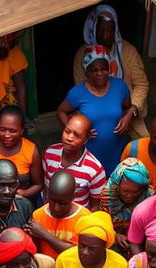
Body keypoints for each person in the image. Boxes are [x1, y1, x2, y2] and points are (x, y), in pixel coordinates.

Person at [73, 4, 149, 138]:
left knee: (145, 147)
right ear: (93, 28)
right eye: (100, 29)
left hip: (127, 110)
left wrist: (132, 111)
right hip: (95, 112)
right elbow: (81, 90)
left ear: (116, 29)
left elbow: (141, 84)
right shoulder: (83, 54)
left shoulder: (128, 51)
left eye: (109, 30)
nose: (105, 35)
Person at [58, 46, 131, 177]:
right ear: (87, 73)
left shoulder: (120, 86)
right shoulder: (78, 92)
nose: (100, 73)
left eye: (103, 69)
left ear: (109, 69)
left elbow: (127, 107)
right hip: (89, 154)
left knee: (116, 188)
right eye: (94, 70)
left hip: (117, 150)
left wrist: (128, 117)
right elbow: (61, 112)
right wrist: (72, 130)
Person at [42, 112, 106, 210]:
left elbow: (95, 206)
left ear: (86, 139)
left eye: (77, 135)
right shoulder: (49, 154)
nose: (69, 138)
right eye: (67, 131)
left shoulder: (95, 169)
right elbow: (45, 189)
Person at [0, 105, 43, 201]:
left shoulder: (32, 151)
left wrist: (24, 193)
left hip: (20, 201)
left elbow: (38, 184)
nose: (7, 135)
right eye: (2, 129)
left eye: (13, 131)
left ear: (22, 130)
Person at [29, 170, 88, 259]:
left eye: (63, 203)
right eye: (52, 201)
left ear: (73, 197)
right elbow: (35, 251)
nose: (56, 208)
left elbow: (76, 253)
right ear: (47, 193)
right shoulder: (38, 215)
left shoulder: (84, 218)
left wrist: (45, 234)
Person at [100, 157, 151, 251]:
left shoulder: (149, 198)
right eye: (125, 190)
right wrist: (115, 235)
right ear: (117, 185)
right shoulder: (107, 196)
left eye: (136, 192)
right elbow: (102, 222)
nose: (129, 195)